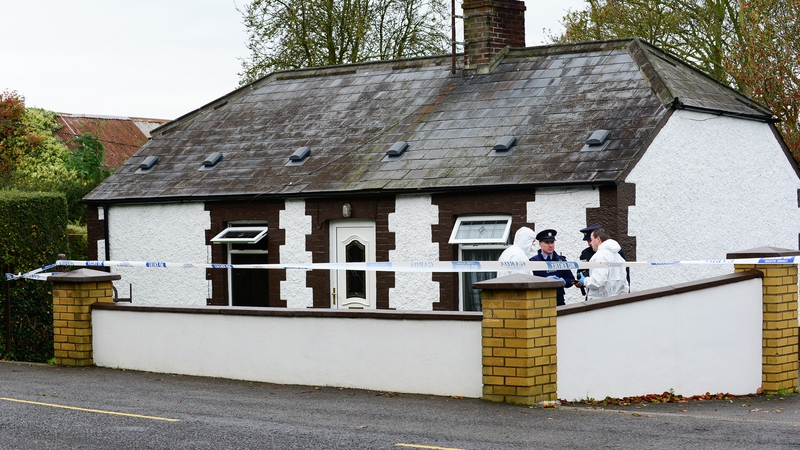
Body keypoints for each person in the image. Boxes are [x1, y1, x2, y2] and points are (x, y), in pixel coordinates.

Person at [578, 228, 629, 301]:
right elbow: (625, 285)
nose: (590, 243)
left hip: (599, 302)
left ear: (598, 239)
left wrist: (585, 280)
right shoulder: (618, 257)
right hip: (616, 301)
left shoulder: (599, 256)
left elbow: (597, 281)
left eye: (591, 240)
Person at [529, 229, 576, 306]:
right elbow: (530, 283)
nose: (550, 245)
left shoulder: (561, 260)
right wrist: (544, 281)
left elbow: (571, 279)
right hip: (541, 302)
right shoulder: (533, 262)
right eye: (547, 242)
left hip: (558, 301)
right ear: (540, 244)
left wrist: (563, 281)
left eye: (552, 242)